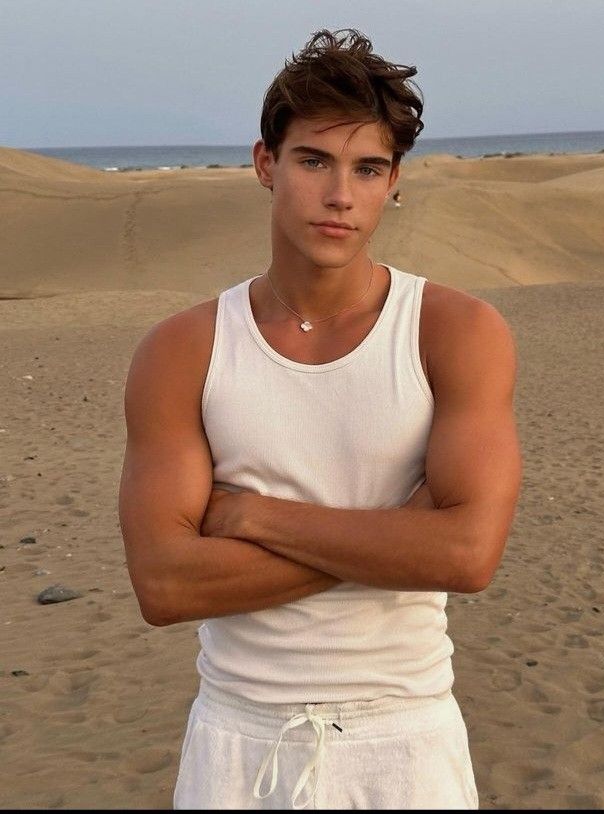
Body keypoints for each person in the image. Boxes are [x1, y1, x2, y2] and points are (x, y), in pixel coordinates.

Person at [118, 28, 522, 810]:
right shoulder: (184, 349)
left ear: (393, 181)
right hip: (238, 745)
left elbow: (468, 556)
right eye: (314, 161)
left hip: (404, 742)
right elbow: (165, 585)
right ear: (265, 164)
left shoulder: (454, 331)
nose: (341, 195)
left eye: (368, 168)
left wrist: (250, 516)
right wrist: (399, 539)